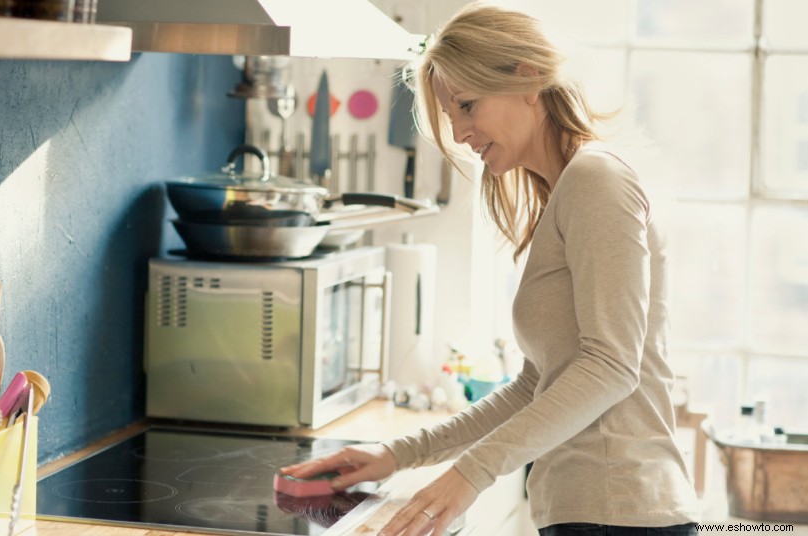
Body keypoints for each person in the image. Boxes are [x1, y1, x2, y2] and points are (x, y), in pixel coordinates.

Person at [279, 3, 700, 536]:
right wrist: (397, 454)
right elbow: (535, 385)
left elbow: (612, 367)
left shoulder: (597, 180)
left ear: (527, 77)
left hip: (621, 511)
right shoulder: (569, 189)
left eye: (467, 106)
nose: (459, 134)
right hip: (591, 511)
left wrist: (468, 475)